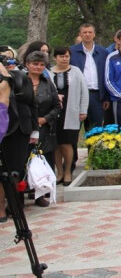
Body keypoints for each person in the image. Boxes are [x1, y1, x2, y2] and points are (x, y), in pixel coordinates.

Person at [0, 61, 38, 220]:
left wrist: (35, 130)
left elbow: (32, 104)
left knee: (16, 170)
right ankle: (1, 207)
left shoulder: (21, 77)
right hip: (3, 131)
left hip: (20, 130)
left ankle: (15, 204)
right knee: (1, 172)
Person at [49, 47, 88, 186]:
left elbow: (84, 91)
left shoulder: (76, 71)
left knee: (67, 142)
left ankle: (67, 171)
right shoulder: (48, 72)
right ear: (55, 58)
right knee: (56, 144)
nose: (65, 59)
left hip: (71, 111)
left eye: (67, 56)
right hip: (53, 112)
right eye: (61, 56)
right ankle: (59, 171)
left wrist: (83, 110)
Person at [25, 51, 60, 206]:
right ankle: (20, 195)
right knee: (23, 160)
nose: (38, 67)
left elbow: (57, 106)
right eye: (35, 64)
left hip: (44, 128)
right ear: (27, 64)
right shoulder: (19, 81)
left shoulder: (47, 82)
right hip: (23, 127)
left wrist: (45, 119)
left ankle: (41, 194)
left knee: (43, 159)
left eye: (41, 64)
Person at [69, 23, 109, 131]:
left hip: (96, 95)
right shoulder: (72, 51)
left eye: (90, 32)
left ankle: (93, 148)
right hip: (77, 94)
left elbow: (106, 75)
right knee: (73, 129)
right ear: (80, 34)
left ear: (94, 34)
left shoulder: (103, 52)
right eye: (84, 32)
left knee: (95, 130)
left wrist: (105, 97)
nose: (87, 34)